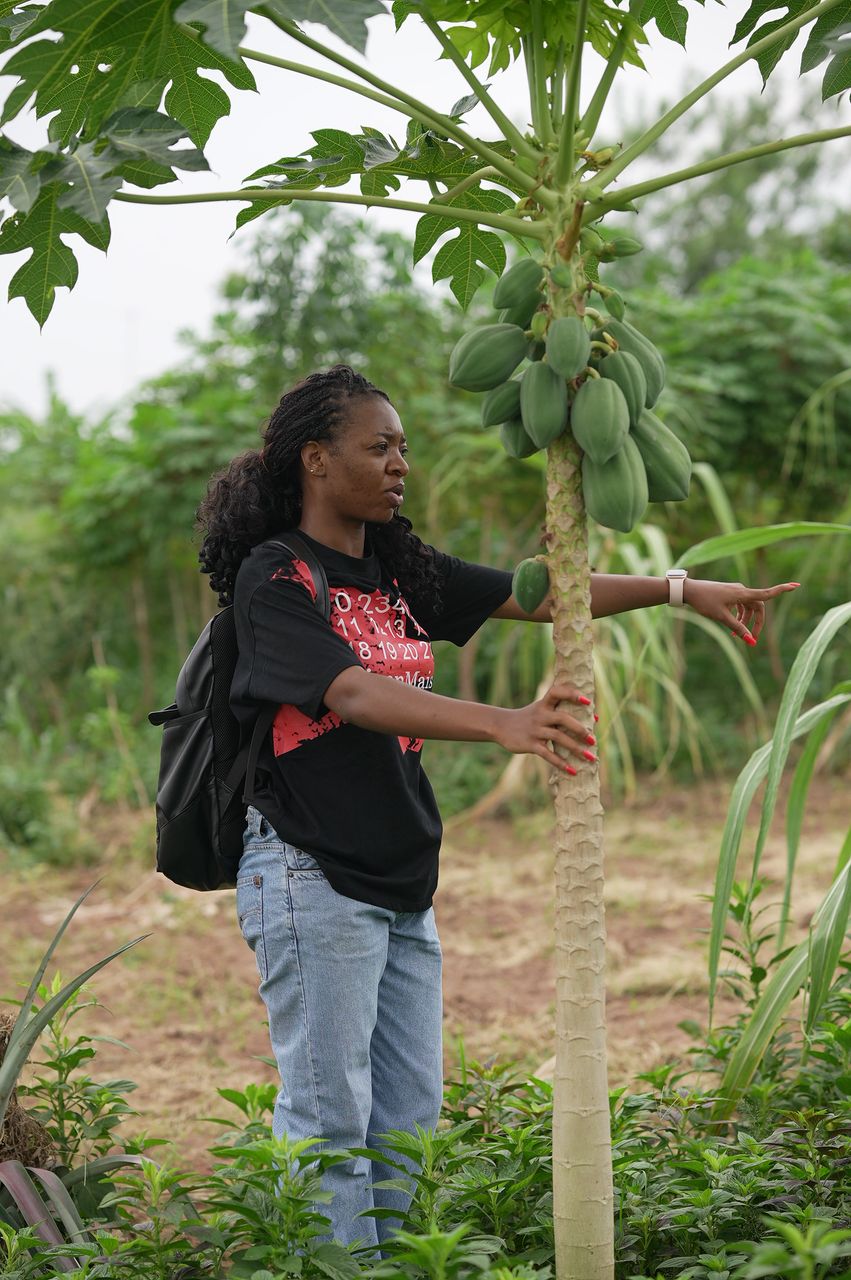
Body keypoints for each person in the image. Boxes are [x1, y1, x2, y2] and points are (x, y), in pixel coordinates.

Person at [196, 364, 798, 1256]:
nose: (402, 462)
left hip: (401, 879)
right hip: (309, 874)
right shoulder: (274, 575)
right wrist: (506, 725)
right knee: (330, 1123)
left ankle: (394, 1267)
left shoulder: (397, 568)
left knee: (407, 1119)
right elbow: (351, 693)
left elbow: (540, 592)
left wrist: (681, 592)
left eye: (404, 446)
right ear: (316, 460)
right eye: (380, 446)